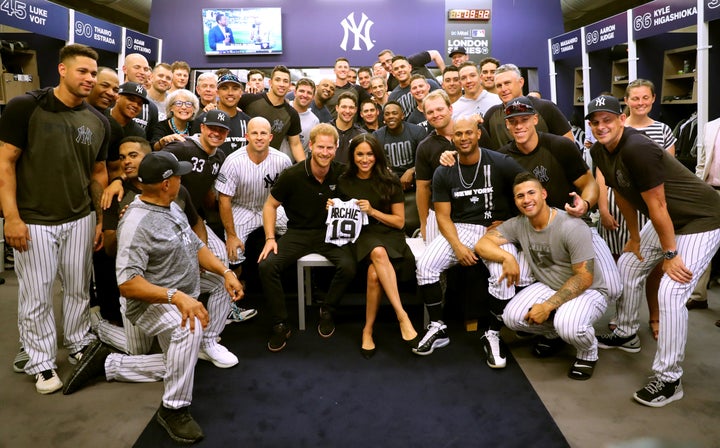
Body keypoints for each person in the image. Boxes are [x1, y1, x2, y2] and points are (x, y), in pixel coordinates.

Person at [62, 150, 244, 444]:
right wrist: (176, 297)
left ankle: (110, 363)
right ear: (166, 183)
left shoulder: (171, 205)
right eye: (177, 175)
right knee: (190, 328)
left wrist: (225, 272)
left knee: (180, 357)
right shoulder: (136, 224)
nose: (181, 179)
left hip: (184, 289)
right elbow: (128, 285)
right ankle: (174, 409)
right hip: (150, 303)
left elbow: (196, 245)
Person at [588, 94, 720, 407]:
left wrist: (670, 255)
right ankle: (626, 331)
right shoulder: (599, 150)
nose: (600, 126)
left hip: (702, 218)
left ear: (622, 118)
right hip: (669, 219)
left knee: (671, 292)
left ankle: (669, 378)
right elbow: (621, 191)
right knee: (630, 264)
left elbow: (657, 203)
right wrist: (633, 237)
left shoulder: (638, 148)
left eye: (607, 119)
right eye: (594, 122)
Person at [0, 44, 110, 394]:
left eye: (94, 73)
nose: (90, 79)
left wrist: (97, 220)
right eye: (83, 71)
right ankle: (42, 361)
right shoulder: (25, 107)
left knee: (78, 289)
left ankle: (78, 342)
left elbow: (99, 174)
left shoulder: (97, 120)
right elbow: (5, 164)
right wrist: (11, 217)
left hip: (79, 217)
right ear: (62, 70)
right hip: (32, 219)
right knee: (37, 294)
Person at [413, 115, 527, 362]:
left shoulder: (500, 162)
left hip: (495, 230)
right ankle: (437, 327)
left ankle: (493, 334)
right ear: (452, 138)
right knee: (425, 266)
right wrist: (458, 246)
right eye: (458, 134)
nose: (463, 138)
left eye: (468, 133)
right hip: (460, 227)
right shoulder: (444, 170)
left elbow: (528, 190)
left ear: (478, 134)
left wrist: (510, 220)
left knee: (503, 276)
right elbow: (443, 216)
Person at [475, 173, 609, 379]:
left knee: (569, 325)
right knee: (511, 317)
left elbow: (584, 278)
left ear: (544, 194)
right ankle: (554, 334)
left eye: (531, 193)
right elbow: (482, 244)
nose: (526, 200)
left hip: (588, 291)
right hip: (550, 285)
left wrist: (547, 306)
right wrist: (506, 258)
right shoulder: (519, 224)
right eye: (520, 196)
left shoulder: (571, 226)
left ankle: (588, 353)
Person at [258, 123, 357, 352]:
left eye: (329, 148)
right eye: (320, 147)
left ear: (336, 148)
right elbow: (270, 206)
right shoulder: (292, 174)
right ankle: (280, 322)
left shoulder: (343, 172)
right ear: (310, 146)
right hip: (298, 233)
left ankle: (328, 309)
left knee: (349, 266)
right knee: (266, 266)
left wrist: (342, 205)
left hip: (330, 234)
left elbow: (356, 205)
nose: (325, 152)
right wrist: (270, 238)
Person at [597, 80, 677, 340]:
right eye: (635, 98)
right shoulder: (610, 129)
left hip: (651, 206)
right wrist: (602, 206)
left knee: (653, 267)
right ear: (626, 103)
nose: (640, 102)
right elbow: (602, 174)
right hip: (619, 207)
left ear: (653, 99)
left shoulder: (663, 131)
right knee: (623, 265)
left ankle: (654, 316)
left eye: (645, 98)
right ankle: (623, 318)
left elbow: (668, 173)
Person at [335, 134, 418, 357]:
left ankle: (367, 330)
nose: (365, 159)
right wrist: (332, 208)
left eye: (369, 154)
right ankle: (402, 315)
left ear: (377, 155)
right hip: (360, 236)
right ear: (352, 156)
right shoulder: (344, 181)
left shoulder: (390, 180)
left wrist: (372, 211)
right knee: (378, 252)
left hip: (389, 232)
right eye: (359, 154)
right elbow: (340, 214)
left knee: (374, 275)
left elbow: (399, 222)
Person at [216, 116, 292, 291]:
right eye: (254, 133)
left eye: (263, 133)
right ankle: (233, 296)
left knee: (298, 233)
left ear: (270, 137)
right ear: (246, 136)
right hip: (242, 208)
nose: (259, 137)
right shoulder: (233, 161)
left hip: (272, 207)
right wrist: (232, 235)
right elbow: (224, 200)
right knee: (234, 254)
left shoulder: (282, 160)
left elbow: (291, 193)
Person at [483, 63, 573, 149]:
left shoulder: (545, 108)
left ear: (521, 82)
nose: (503, 89)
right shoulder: (491, 115)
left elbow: (569, 143)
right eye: (499, 85)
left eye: (507, 83)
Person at [238, 65, 305, 162]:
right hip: (243, 161)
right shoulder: (249, 100)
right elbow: (228, 109)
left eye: (285, 81)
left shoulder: (291, 114)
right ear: (270, 83)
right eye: (277, 80)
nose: (281, 84)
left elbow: (295, 144)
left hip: (271, 166)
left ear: (290, 85)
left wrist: (306, 169)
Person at [415, 90, 456, 244]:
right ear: (425, 116)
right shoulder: (424, 147)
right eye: (430, 112)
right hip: (438, 211)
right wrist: (424, 223)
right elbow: (422, 188)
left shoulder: (471, 133)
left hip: (472, 208)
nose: (435, 114)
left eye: (440, 109)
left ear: (450, 109)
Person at [372, 101, 427, 191]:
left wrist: (412, 170)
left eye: (395, 113)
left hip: (415, 183)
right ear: (384, 118)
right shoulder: (377, 136)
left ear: (402, 115)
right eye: (387, 114)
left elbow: (426, 160)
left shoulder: (417, 131)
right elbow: (375, 162)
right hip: (389, 185)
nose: (390, 116)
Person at [193, 72, 250, 156]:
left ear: (241, 93)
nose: (230, 93)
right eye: (224, 88)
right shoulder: (203, 120)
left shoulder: (248, 122)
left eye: (235, 88)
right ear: (217, 92)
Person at [122, 53, 158, 138]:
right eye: (137, 67)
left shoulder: (151, 108)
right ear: (125, 69)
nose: (142, 72)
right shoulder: (113, 96)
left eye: (145, 69)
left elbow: (149, 142)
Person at [378, 48, 446, 91]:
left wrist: (445, 77)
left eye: (388, 61)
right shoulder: (391, 82)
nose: (387, 65)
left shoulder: (412, 60)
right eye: (383, 64)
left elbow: (435, 54)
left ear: (409, 67)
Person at [286, 77, 320, 153]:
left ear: (313, 97)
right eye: (301, 91)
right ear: (295, 92)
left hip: (298, 162)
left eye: (309, 93)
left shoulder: (314, 121)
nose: (305, 95)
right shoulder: (284, 108)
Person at [331, 91, 366, 163]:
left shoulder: (361, 135)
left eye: (351, 107)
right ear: (337, 108)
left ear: (355, 110)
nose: (347, 111)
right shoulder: (325, 131)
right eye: (344, 107)